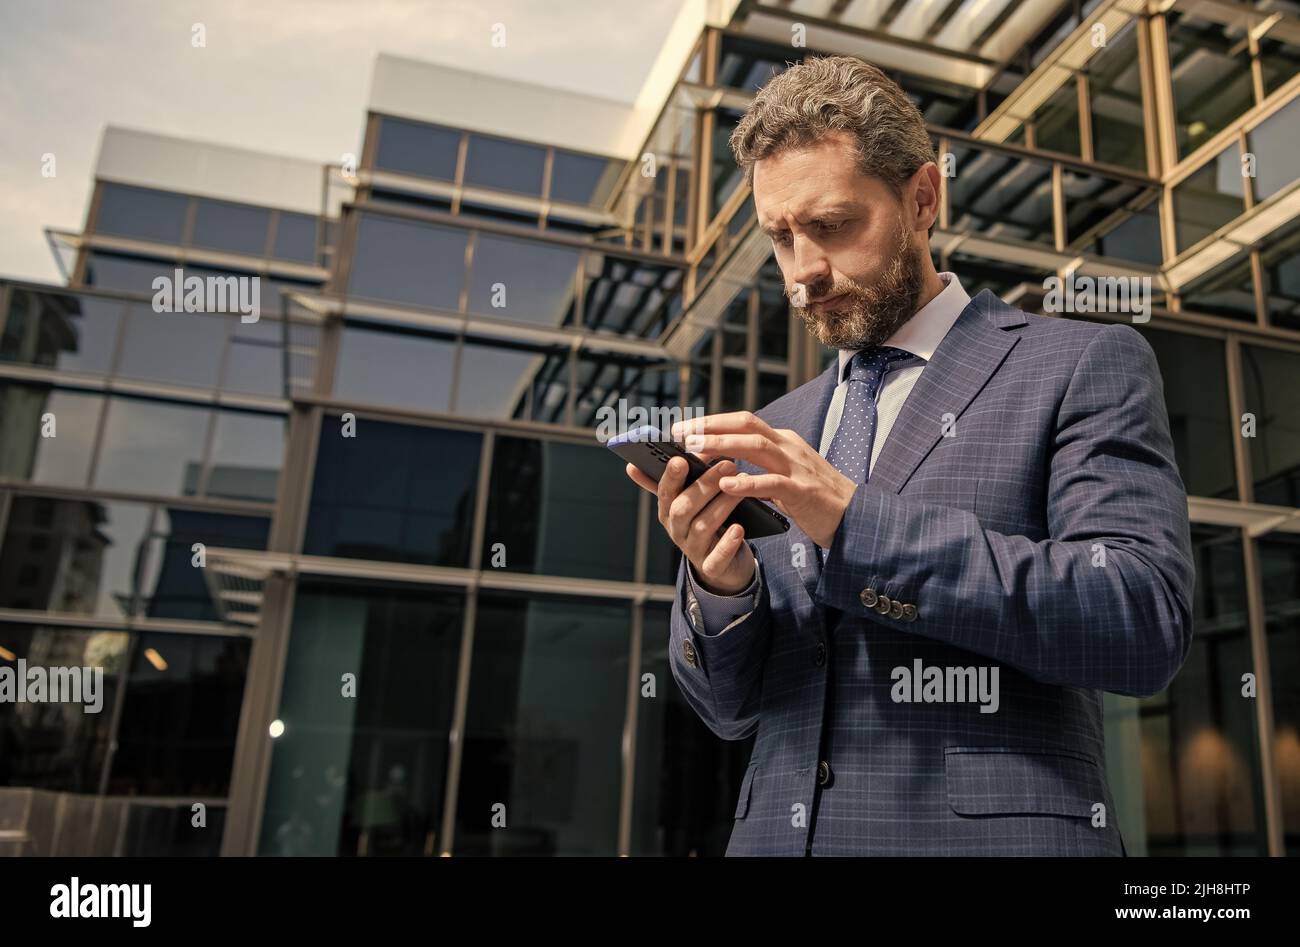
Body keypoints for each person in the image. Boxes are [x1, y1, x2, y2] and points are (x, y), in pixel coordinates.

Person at [624, 55, 1194, 856]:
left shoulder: (1079, 366)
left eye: (831, 225)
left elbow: (1142, 620)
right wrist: (721, 586)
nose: (803, 273)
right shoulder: (778, 425)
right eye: (780, 237)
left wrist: (857, 524)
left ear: (923, 197)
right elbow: (729, 711)